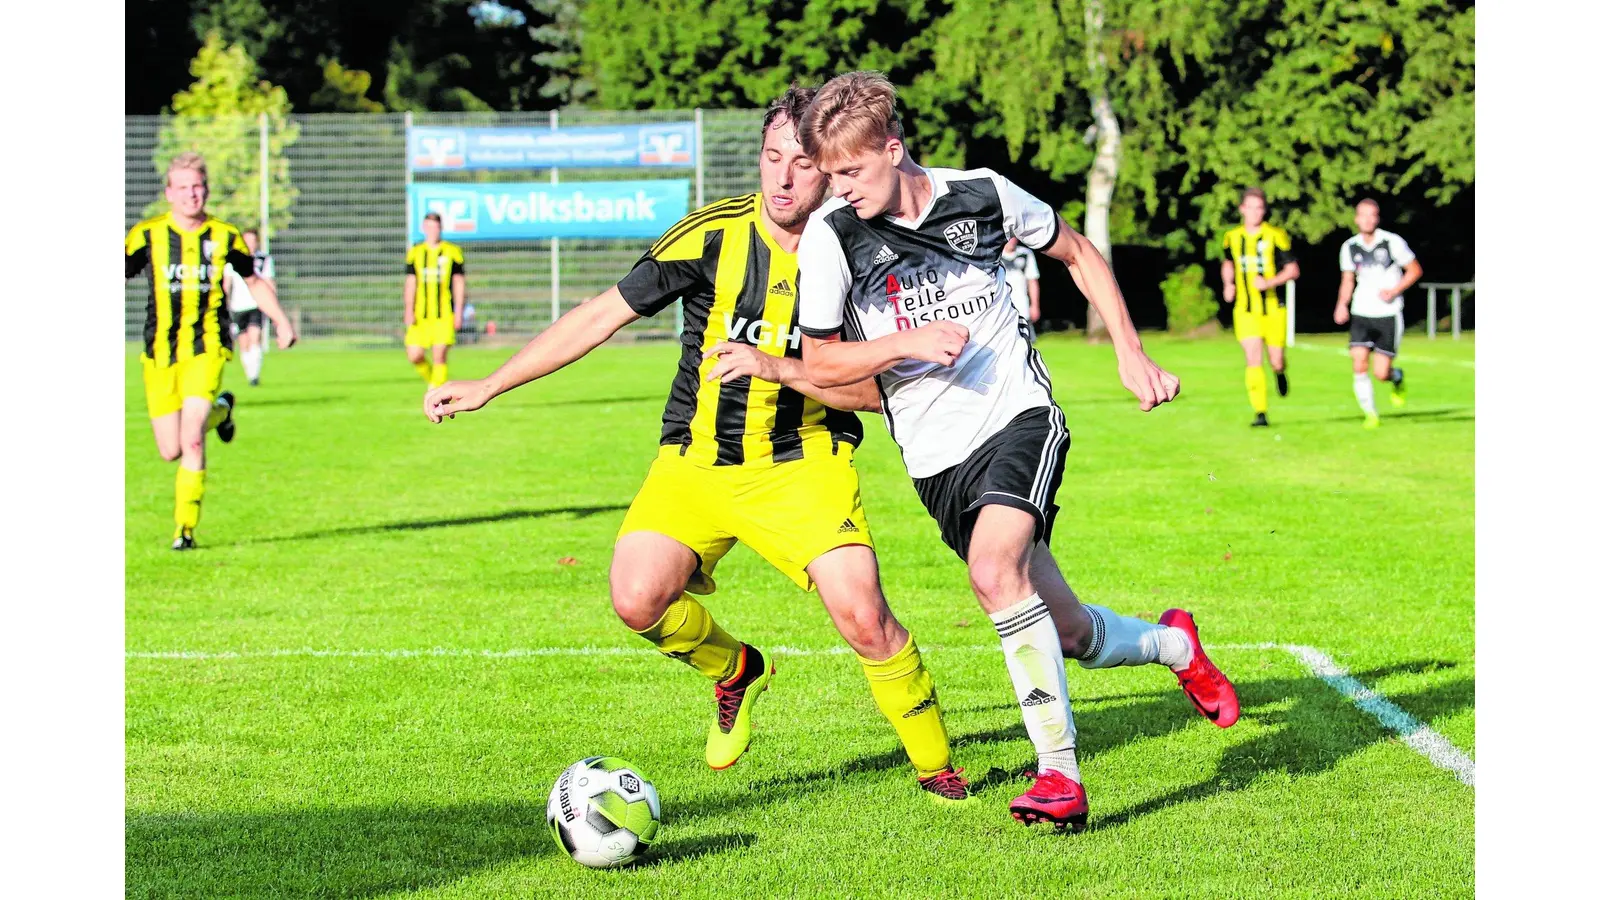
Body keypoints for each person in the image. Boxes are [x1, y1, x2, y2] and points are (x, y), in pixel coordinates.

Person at [420, 87, 973, 803]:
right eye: (771, 157)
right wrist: (491, 384)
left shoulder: (860, 251)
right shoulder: (712, 234)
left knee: (864, 616)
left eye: (801, 164)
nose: (781, 178)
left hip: (803, 465)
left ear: (830, 169)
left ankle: (936, 769)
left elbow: (877, 395)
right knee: (636, 596)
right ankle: (735, 669)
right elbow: (599, 315)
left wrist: (785, 368)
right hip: (696, 464)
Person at [794, 71, 1239, 830]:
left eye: (852, 171)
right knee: (1067, 632)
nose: (838, 188)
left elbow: (1080, 253)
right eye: (829, 174)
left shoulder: (983, 194)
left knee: (993, 569)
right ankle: (1173, 646)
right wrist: (906, 342)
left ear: (894, 150)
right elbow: (820, 361)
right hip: (935, 458)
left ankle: (1059, 778)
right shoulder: (831, 237)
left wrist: (1128, 353)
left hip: (1019, 415)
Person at [125, 152, 297, 550]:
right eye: (182, 187)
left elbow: (253, 281)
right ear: (169, 193)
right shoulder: (146, 236)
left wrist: (282, 321)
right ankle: (223, 411)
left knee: (192, 441)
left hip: (207, 349)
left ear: (206, 190)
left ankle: (184, 530)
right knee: (170, 449)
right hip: (160, 355)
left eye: (197, 186)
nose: (191, 194)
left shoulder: (224, 235)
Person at [1334, 199, 1423, 429]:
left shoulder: (1392, 242)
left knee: (1381, 372)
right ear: (1356, 218)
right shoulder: (1349, 247)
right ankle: (1370, 414)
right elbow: (1347, 279)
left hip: (1388, 314)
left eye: (1371, 215)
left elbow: (1414, 270)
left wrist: (1395, 290)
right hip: (1361, 312)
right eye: (1362, 215)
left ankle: (1396, 377)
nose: (1367, 219)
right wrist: (1342, 304)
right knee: (1359, 362)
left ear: (1377, 218)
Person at [1220, 188, 1300, 427]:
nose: (1255, 212)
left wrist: (1269, 282)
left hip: (1274, 309)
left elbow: (1293, 270)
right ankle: (1260, 412)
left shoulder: (1276, 236)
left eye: (1259, 208)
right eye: (1250, 207)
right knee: (1252, 358)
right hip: (1245, 311)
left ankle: (1280, 372)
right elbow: (1227, 262)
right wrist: (1228, 284)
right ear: (1242, 209)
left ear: (1264, 211)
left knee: (1275, 360)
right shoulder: (1232, 237)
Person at [404, 213, 466, 387]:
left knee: (439, 355)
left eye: (436, 227)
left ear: (441, 228)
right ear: (424, 228)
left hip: (444, 314)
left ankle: (435, 391)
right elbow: (411, 283)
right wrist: (408, 309)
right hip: (420, 315)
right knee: (414, 355)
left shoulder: (452, 252)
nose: (432, 231)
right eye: (429, 227)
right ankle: (438, 385)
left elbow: (459, 282)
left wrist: (459, 312)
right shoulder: (415, 253)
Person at [230, 228, 277, 386]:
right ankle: (250, 373)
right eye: (246, 240)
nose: (250, 244)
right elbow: (226, 283)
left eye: (252, 240)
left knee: (255, 337)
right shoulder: (233, 258)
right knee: (243, 343)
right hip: (238, 305)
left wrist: (273, 305)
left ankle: (254, 377)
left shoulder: (264, 260)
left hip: (257, 304)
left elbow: (269, 281)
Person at [1000, 237, 1041, 341]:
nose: (1012, 240)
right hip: (1001, 308)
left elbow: (1032, 281)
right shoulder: (994, 255)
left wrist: (1034, 305)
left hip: (1022, 307)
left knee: (1026, 343)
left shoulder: (1025, 254)